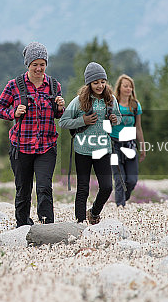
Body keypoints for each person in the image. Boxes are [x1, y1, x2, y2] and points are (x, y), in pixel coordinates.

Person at [0, 42, 65, 226]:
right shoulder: (14, 85)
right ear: (28, 64)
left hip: (47, 146)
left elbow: (57, 115)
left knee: (44, 188)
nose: (39, 68)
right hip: (21, 146)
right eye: (35, 64)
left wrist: (60, 108)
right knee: (23, 190)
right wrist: (13, 113)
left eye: (42, 64)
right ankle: (23, 226)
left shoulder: (54, 85)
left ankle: (47, 226)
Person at [59, 62, 121, 224]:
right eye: (96, 82)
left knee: (107, 187)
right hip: (83, 150)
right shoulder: (79, 101)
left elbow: (119, 118)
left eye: (103, 82)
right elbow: (63, 122)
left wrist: (115, 119)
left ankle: (93, 213)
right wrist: (83, 120)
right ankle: (79, 224)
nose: (100, 86)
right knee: (83, 189)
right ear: (89, 84)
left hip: (103, 149)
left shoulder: (111, 99)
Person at [111, 73, 146, 207]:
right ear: (119, 87)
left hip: (130, 145)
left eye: (130, 87)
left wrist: (142, 147)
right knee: (119, 179)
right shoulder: (112, 104)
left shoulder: (135, 106)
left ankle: (123, 199)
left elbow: (138, 127)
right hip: (114, 144)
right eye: (125, 86)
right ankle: (120, 206)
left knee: (131, 180)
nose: (128, 89)